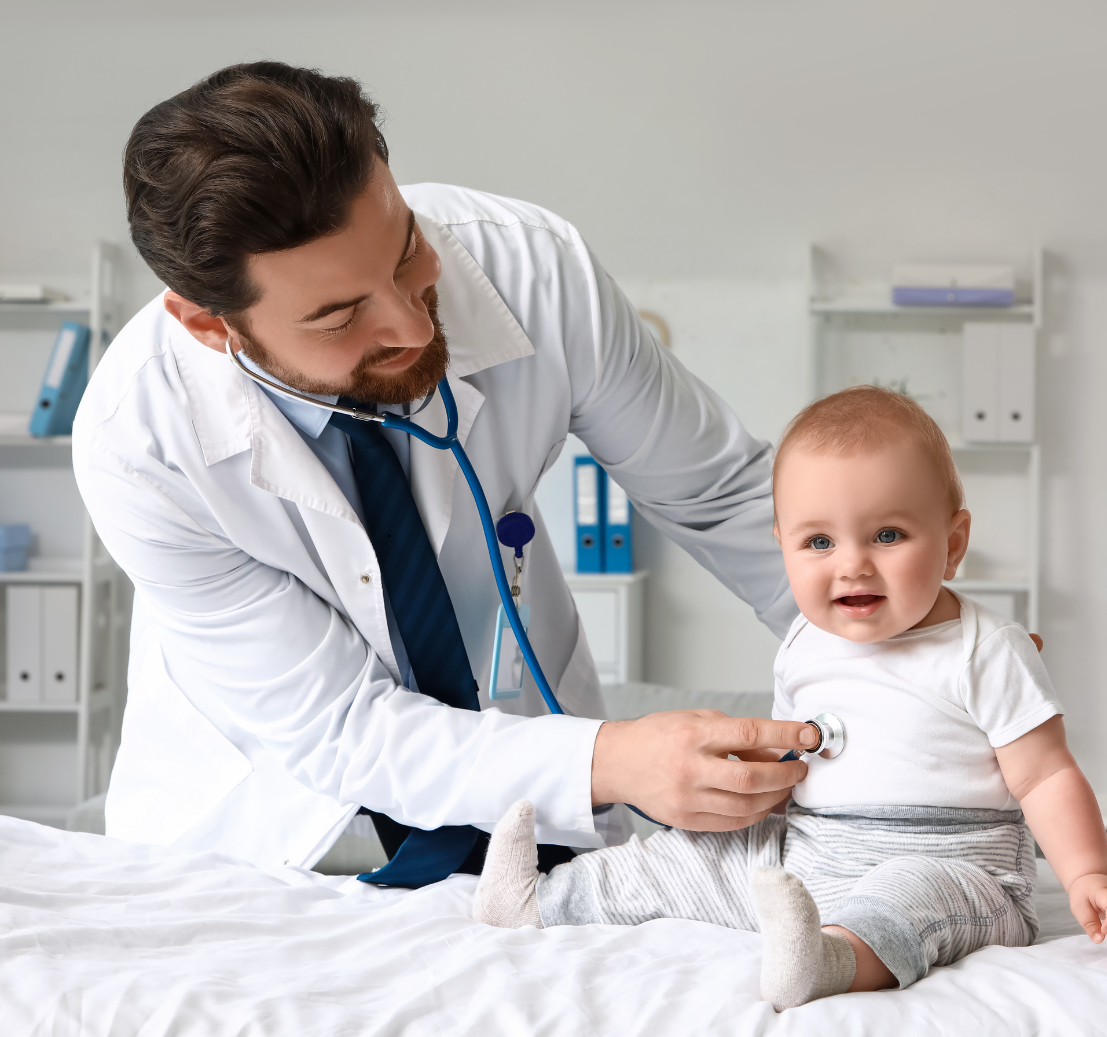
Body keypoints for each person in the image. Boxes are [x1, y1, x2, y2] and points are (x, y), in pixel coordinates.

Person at [72, 61, 822, 883]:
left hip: (529, 789)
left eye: (405, 252)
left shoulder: (537, 272)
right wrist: (613, 758)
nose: (408, 322)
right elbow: (341, 726)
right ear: (208, 324)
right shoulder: (140, 443)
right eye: (338, 314)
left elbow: (724, 498)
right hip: (276, 823)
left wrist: (908, 654)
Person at [471, 385, 1107, 1010]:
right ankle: (542, 898)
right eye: (819, 541)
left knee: (913, 899)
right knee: (687, 855)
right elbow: (799, 756)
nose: (852, 562)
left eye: (888, 535)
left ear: (953, 542)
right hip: (809, 849)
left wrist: (1087, 875)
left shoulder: (985, 648)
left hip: (954, 859)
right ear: (783, 548)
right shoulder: (803, 642)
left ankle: (831, 959)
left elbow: (1048, 774)